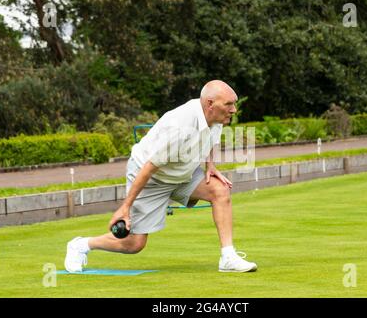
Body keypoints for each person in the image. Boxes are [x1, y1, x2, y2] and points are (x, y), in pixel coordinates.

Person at [64, 80, 257, 273]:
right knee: (134, 244)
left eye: (234, 103)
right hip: (151, 177)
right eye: (229, 104)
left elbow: (209, 139)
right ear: (210, 104)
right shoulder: (179, 126)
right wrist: (125, 207)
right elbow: (149, 168)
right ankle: (81, 245)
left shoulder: (216, 116)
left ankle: (228, 257)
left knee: (220, 190)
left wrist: (210, 165)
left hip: (182, 173)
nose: (234, 110)